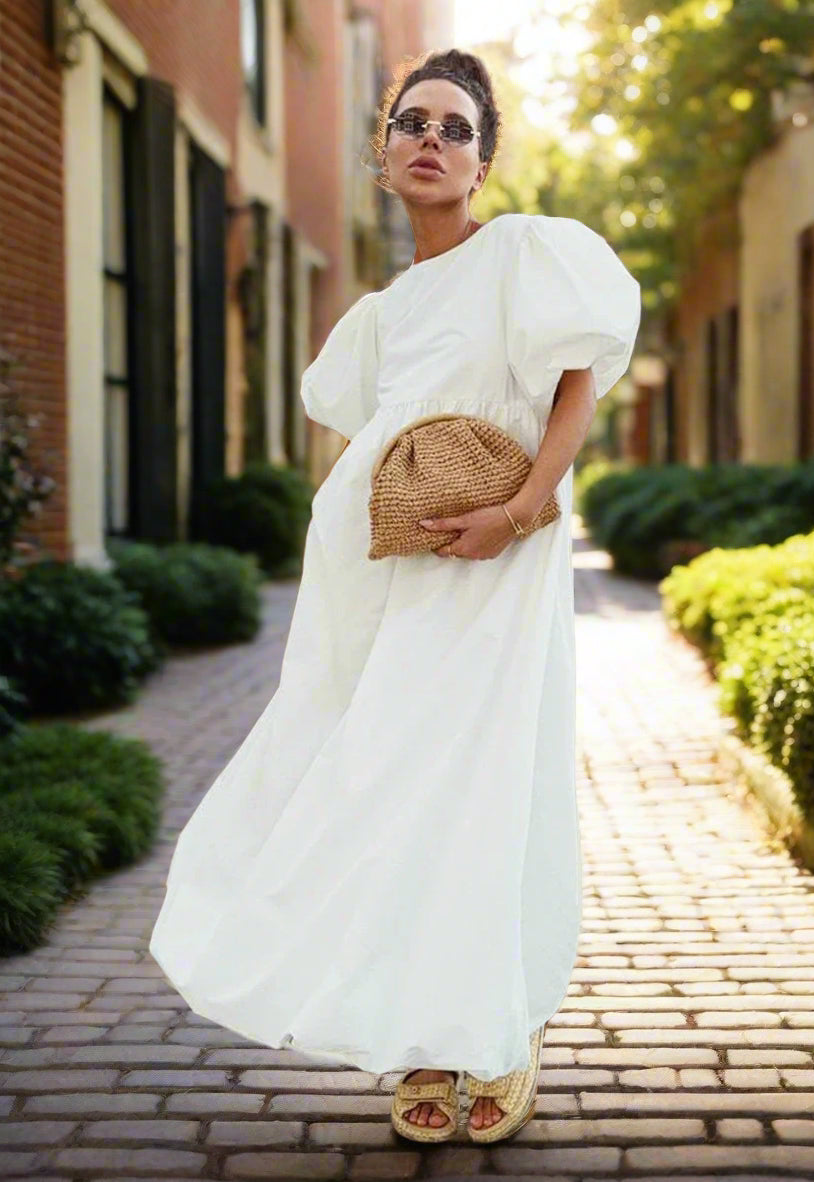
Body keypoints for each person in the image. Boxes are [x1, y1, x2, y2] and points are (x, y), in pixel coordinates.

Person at [148, 47, 641, 1145]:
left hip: (502, 559)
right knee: (390, 786)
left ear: (482, 162)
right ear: (382, 153)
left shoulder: (525, 253)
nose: (432, 140)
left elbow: (576, 390)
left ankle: (497, 1032)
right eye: (413, 122)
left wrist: (519, 510)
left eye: (457, 128)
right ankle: (426, 1037)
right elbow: (378, 436)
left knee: (484, 786)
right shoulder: (379, 315)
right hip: (387, 568)